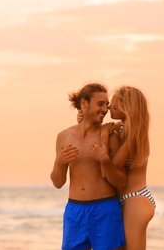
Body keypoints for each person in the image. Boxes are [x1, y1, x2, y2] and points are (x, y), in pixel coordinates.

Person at [50, 83, 126, 250]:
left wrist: (105, 160)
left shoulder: (109, 136)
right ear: (84, 104)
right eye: (100, 104)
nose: (105, 109)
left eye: (106, 105)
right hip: (74, 211)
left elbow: (121, 182)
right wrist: (61, 163)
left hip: (105, 209)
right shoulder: (63, 137)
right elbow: (57, 182)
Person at [87, 85, 156, 250]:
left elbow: (112, 167)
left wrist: (104, 134)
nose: (109, 107)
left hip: (135, 200)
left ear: (126, 108)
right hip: (133, 199)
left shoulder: (132, 135)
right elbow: (100, 128)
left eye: (114, 105)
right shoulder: (123, 127)